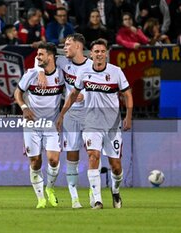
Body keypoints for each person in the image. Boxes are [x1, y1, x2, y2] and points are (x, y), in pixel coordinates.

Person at [56, 38, 133, 209]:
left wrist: (129, 116)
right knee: (93, 156)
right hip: (91, 123)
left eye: (102, 51)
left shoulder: (116, 72)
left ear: (106, 54)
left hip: (112, 125)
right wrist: (62, 115)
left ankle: (115, 190)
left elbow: (127, 94)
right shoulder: (83, 73)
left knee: (116, 165)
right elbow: (73, 94)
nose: (99, 54)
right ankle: (97, 200)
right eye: (96, 51)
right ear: (91, 54)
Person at [36, 33, 93, 209]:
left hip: (90, 115)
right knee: (72, 156)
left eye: (68, 44)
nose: (64, 47)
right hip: (70, 115)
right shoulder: (62, 61)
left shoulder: (91, 66)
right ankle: (75, 198)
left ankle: (94, 193)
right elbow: (40, 57)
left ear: (78, 46)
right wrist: (40, 72)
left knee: (93, 155)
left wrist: (87, 94)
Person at [14, 42, 65, 208]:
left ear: (50, 57)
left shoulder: (61, 75)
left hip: (51, 125)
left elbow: (70, 92)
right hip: (32, 125)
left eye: (41, 54)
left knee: (53, 159)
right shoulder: (31, 73)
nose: (37, 57)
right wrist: (24, 107)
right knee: (35, 162)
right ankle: (41, 198)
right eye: (37, 54)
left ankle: (50, 189)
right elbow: (18, 92)